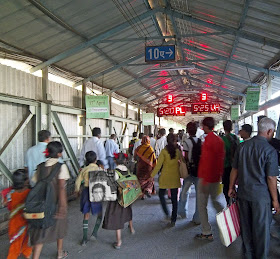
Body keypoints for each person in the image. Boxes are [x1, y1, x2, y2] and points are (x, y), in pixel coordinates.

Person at [229, 117, 280, 259]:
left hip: (243, 194)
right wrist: (275, 200)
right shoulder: (270, 151)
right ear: (269, 131)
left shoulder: (243, 146)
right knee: (262, 232)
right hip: (261, 198)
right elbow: (271, 178)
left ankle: (248, 256)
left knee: (246, 229)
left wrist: (231, 187)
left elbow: (235, 169)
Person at [30, 141, 70, 259]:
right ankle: (59, 253)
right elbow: (61, 187)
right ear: (59, 154)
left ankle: (35, 257)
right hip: (57, 203)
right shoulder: (61, 167)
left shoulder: (40, 167)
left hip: (42, 204)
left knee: (41, 231)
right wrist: (63, 206)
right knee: (59, 228)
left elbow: (35, 183)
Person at [195, 117, 225, 241]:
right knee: (215, 201)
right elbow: (220, 160)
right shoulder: (219, 140)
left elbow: (207, 161)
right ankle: (226, 221)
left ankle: (206, 232)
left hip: (206, 178)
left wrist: (204, 181)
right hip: (216, 178)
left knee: (202, 205)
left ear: (206, 126)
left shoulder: (208, 141)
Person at [102, 153, 135, 249]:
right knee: (128, 211)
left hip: (118, 198)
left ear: (115, 161)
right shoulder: (126, 169)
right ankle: (131, 228)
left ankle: (119, 241)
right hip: (127, 196)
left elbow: (113, 185)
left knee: (116, 218)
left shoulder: (115, 172)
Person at [151, 133, 181, 227]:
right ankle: (173, 219)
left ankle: (167, 213)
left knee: (161, 195)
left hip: (165, 177)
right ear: (175, 141)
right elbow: (183, 162)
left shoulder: (164, 151)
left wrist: (151, 175)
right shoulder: (178, 151)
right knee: (174, 199)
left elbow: (158, 166)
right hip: (175, 177)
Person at [75, 151, 103, 246]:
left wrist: (77, 190)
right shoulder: (99, 169)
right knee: (100, 214)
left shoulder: (84, 169)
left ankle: (84, 238)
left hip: (86, 192)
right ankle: (94, 233)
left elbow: (77, 182)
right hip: (96, 192)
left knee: (86, 214)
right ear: (95, 160)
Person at [5, 169, 32, 259]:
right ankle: (26, 254)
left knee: (16, 244)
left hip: (13, 223)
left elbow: (7, 205)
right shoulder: (28, 193)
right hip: (24, 222)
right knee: (23, 243)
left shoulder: (10, 194)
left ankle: (23, 253)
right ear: (25, 182)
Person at [178, 122, 201, 224]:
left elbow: (186, 156)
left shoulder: (187, 141)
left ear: (187, 130)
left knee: (185, 192)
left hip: (189, 170)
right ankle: (197, 218)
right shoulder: (200, 141)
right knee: (199, 195)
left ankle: (182, 212)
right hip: (199, 170)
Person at [221, 120, 239, 205]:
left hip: (227, 166)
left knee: (227, 187)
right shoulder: (236, 138)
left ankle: (229, 204)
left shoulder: (223, 139)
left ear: (224, 128)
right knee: (235, 185)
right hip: (236, 166)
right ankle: (236, 202)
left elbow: (222, 154)